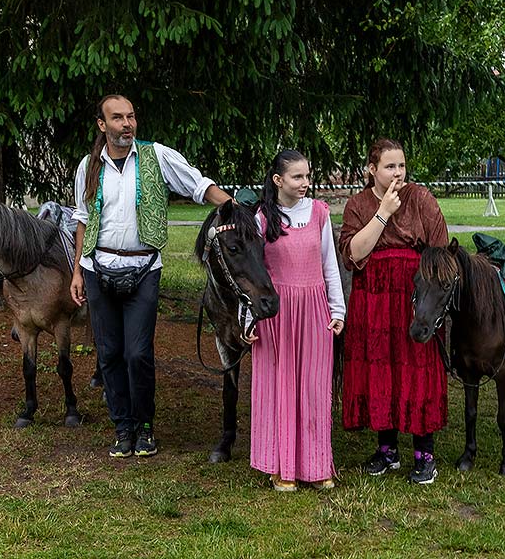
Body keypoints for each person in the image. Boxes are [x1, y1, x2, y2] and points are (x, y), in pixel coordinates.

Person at [70, 94, 230, 458]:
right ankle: (122, 427)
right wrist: (78, 270)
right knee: (109, 353)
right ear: (102, 125)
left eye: (131, 117)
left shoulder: (156, 156)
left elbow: (198, 185)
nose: (127, 124)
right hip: (98, 270)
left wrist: (234, 206)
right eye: (118, 118)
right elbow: (81, 219)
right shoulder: (88, 166)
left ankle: (144, 425)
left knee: (138, 353)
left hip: (144, 269)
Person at [338, 138, 449, 485]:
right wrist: (383, 212)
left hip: (414, 295)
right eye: (390, 166)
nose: (398, 172)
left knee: (416, 367)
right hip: (372, 297)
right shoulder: (357, 205)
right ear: (372, 169)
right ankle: (387, 450)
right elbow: (354, 253)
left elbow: (441, 251)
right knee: (380, 367)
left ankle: (424, 454)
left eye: (401, 165)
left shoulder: (421, 199)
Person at [250, 149, 345, 492]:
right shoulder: (262, 218)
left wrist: (337, 310)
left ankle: (318, 464)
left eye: (307, 176)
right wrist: (249, 319)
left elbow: (329, 265)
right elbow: (253, 276)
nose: (305, 183)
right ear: (278, 181)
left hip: (315, 308)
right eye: (298, 177)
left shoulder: (319, 212)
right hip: (276, 315)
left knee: (315, 387)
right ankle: (282, 465)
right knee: (281, 386)